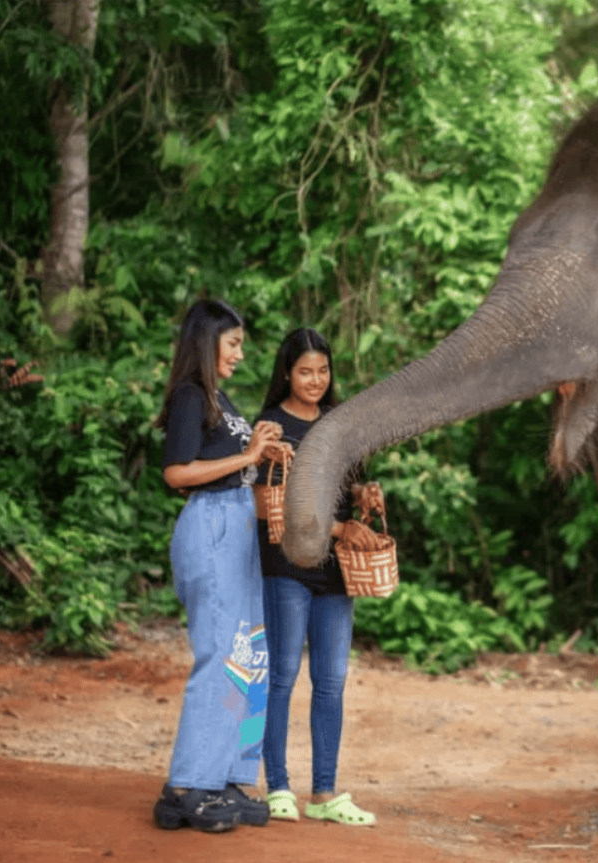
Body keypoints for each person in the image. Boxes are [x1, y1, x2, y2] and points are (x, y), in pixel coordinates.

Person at [152, 298, 287, 833]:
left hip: (237, 527)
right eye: (233, 343)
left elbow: (233, 468)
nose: (240, 353)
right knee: (219, 654)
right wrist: (247, 458)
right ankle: (187, 785)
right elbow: (178, 472)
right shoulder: (190, 395)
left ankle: (227, 775)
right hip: (210, 528)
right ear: (208, 343)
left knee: (248, 654)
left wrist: (261, 458)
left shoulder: (220, 398)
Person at [254, 328, 377, 826]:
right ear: (287, 372)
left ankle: (324, 792)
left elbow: (349, 494)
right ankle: (277, 786)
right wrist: (338, 526)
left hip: (335, 572)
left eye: (323, 371)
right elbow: (267, 504)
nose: (315, 380)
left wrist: (366, 503)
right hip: (286, 565)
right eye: (305, 371)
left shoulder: (339, 424)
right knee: (281, 675)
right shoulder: (271, 426)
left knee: (331, 681)